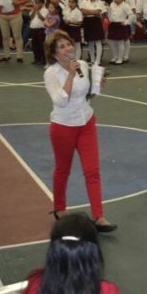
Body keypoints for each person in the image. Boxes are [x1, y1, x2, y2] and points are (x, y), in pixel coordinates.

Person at [44, 31, 116, 231]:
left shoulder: (83, 65)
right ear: (55, 53)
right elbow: (60, 100)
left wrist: (98, 86)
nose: (68, 48)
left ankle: (99, 216)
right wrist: (70, 74)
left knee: (92, 171)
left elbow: (86, 96)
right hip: (63, 127)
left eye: (69, 44)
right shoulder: (51, 73)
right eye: (62, 46)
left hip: (86, 123)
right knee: (62, 169)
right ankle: (59, 207)